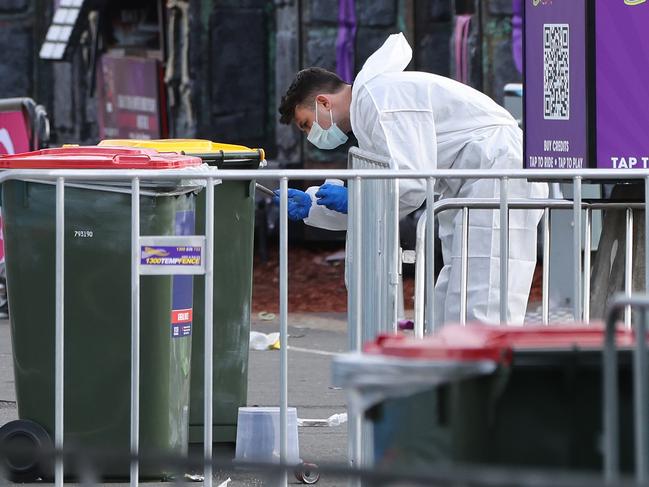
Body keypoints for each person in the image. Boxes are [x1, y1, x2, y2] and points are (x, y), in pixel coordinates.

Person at [276, 33, 548, 326]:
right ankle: (455, 367)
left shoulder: (380, 100)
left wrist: (355, 199)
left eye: (306, 124)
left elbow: (408, 185)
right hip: (475, 179)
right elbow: (385, 190)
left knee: (486, 291)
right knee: (456, 291)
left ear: (323, 102)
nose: (311, 135)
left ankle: (485, 370)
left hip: (498, 172)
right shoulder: (370, 110)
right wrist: (314, 207)